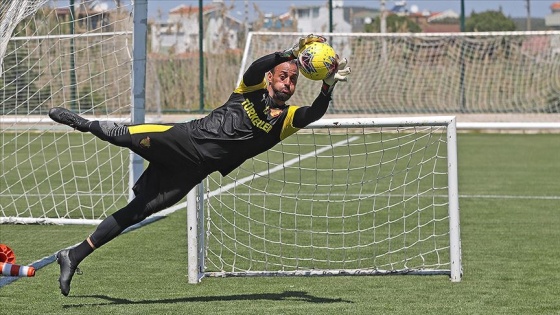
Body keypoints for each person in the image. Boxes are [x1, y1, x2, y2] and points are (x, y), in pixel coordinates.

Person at [49, 34, 351, 296]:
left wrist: (326, 86)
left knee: (137, 211)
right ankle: (83, 123)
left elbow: (313, 114)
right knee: (126, 135)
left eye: (293, 79)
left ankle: (73, 256)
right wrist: (290, 53)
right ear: (271, 77)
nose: (288, 83)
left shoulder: (284, 120)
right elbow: (256, 67)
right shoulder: (249, 89)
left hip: (192, 171)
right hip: (184, 139)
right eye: (283, 76)